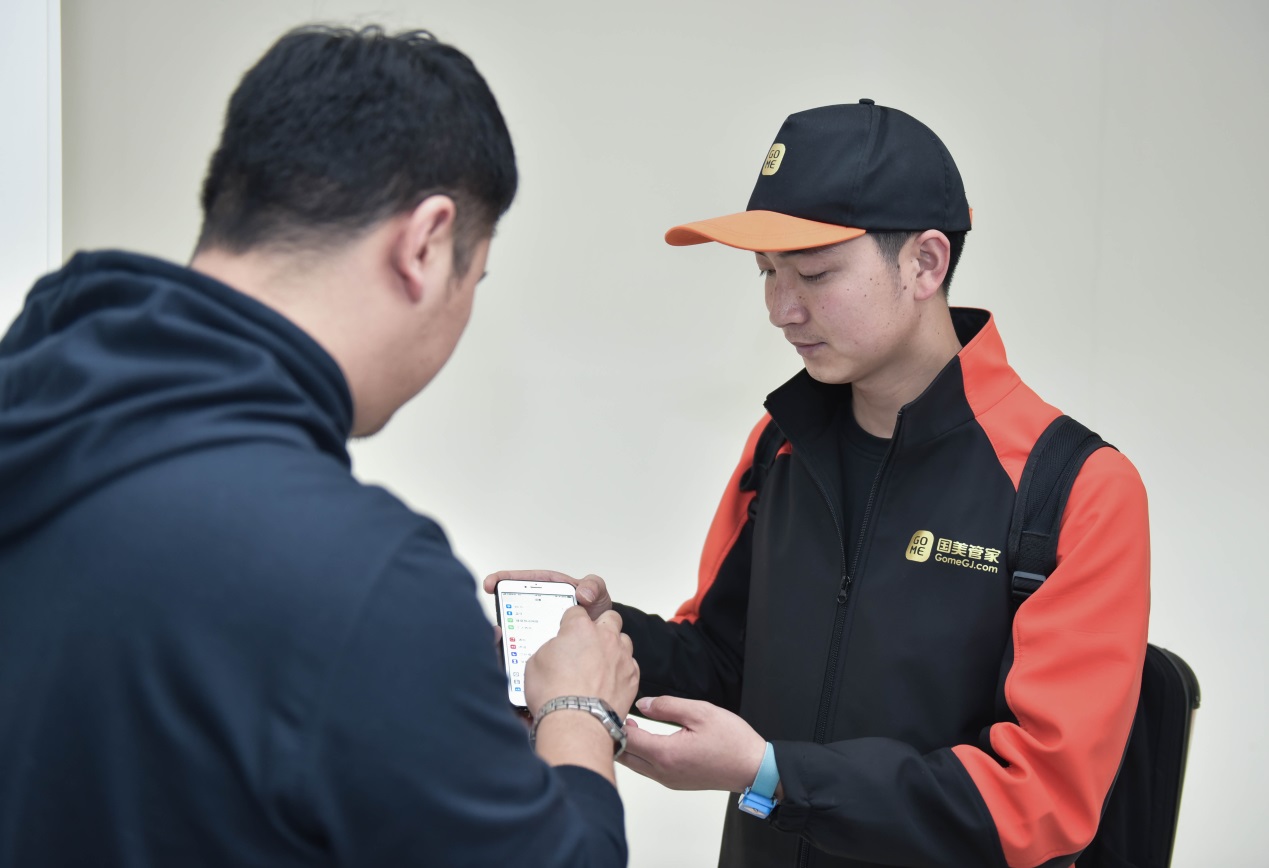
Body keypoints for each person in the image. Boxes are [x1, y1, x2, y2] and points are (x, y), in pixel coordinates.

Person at [0, 25, 638, 867]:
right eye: (474, 279)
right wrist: (578, 715)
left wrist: (414, 686)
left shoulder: (39, 426)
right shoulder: (365, 580)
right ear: (425, 244)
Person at [487, 100, 1150, 867]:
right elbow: (725, 662)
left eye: (814, 273)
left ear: (925, 263)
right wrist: (602, 633)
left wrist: (774, 777)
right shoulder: (779, 447)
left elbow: (1041, 796)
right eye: (767, 273)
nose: (781, 309)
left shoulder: (1074, 489)